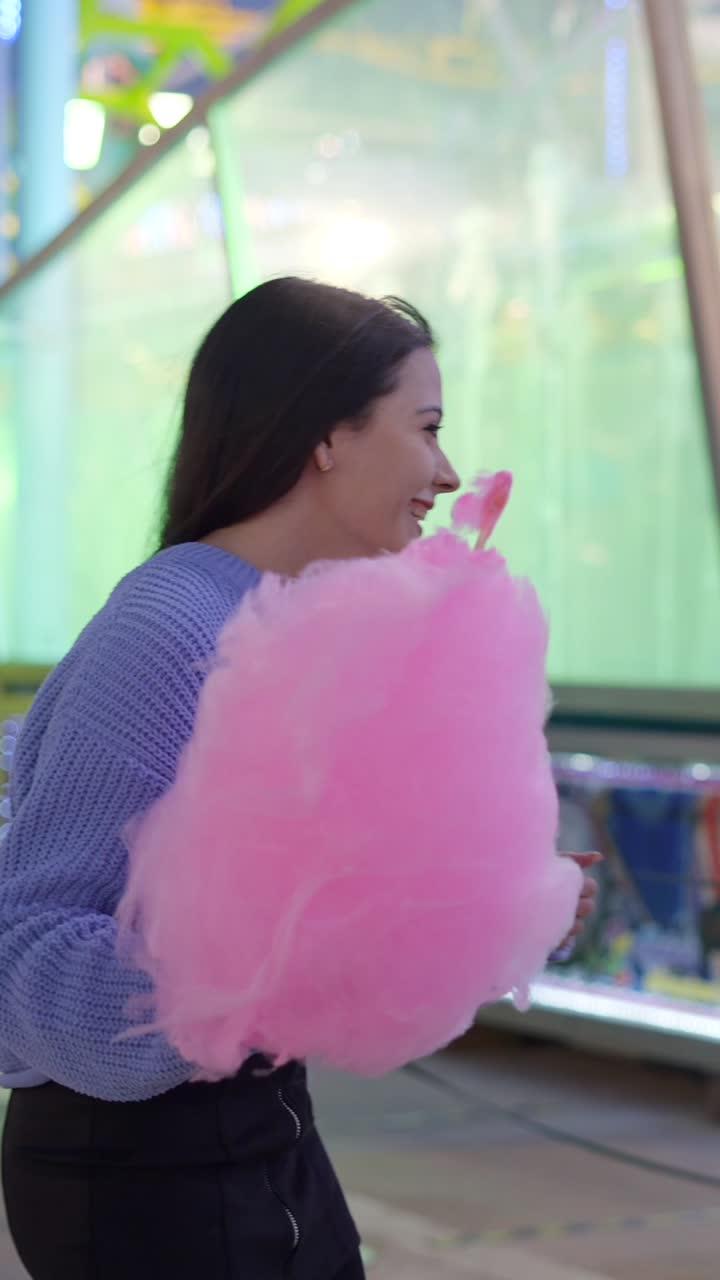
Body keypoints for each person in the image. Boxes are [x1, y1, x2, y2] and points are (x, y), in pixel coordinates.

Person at [0, 277, 595, 1280]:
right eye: (426, 426)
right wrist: (264, 970)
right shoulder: (172, 632)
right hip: (141, 1168)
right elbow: (28, 947)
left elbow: (305, 923)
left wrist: (491, 913)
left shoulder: (295, 629)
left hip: (258, 1130)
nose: (449, 472)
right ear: (327, 436)